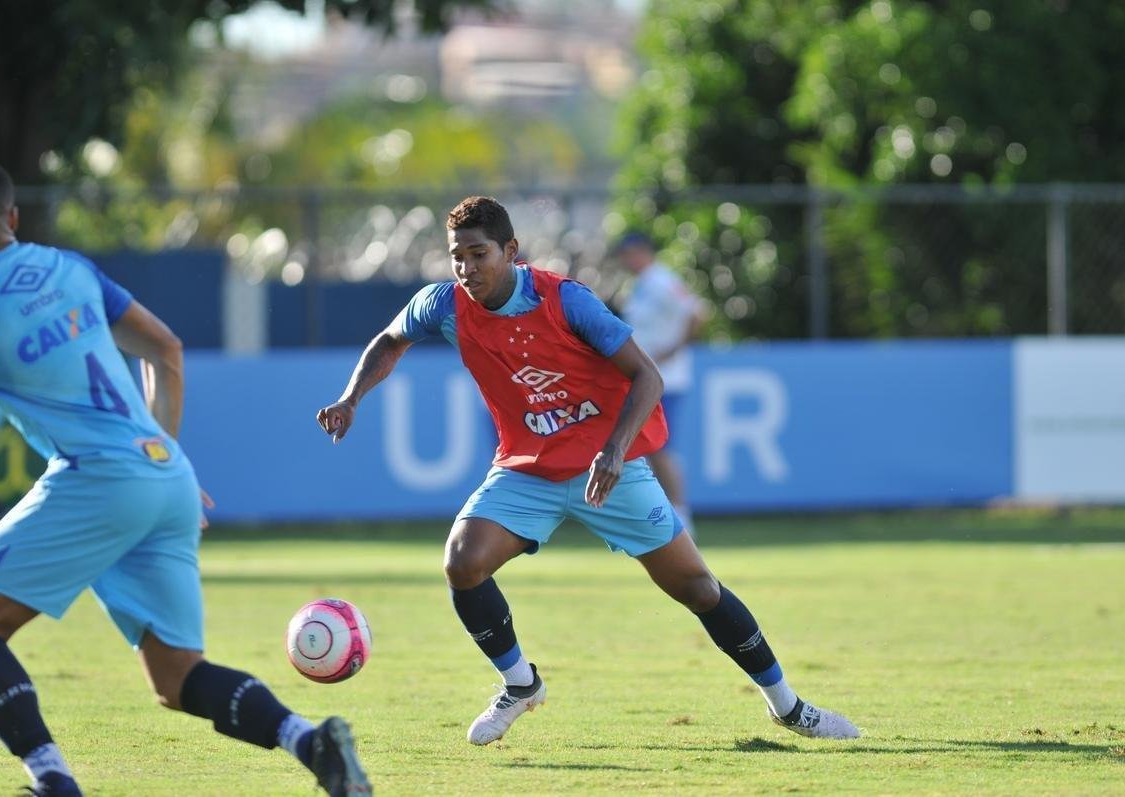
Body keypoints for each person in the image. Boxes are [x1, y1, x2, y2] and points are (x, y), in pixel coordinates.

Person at [317, 196, 858, 746]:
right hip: (527, 470)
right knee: (463, 562)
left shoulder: (566, 300)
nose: (466, 268)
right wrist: (351, 398)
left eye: (479, 254)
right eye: (457, 256)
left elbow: (647, 377)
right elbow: (390, 340)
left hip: (608, 469)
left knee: (697, 588)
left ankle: (789, 708)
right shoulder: (444, 304)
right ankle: (520, 684)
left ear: (510, 251)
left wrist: (616, 449)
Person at [0, 160, 372, 797]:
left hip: (97, 478)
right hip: (165, 473)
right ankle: (313, 743)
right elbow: (165, 349)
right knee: (176, 679)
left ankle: (52, 779)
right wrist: (164, 457)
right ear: (14, 216)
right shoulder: (70, 270)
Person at [615, 231, 708, 532]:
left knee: (660, 448)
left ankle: (682, 515)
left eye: (630, 253)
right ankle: (664, 513)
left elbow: (697, 313)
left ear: (643, 251)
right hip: (648, 379)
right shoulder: (642, 284)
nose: (626, 260)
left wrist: (674, 349)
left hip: (666, 379)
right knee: (648, 448)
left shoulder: (661, 280)